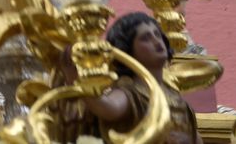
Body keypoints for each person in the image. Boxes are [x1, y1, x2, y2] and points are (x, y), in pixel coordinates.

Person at [79, 12, 200, 144]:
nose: (156, 41)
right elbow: (108, 108)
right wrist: (81, 80)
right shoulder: (131, 93)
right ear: (126, 49)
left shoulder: (178, 99)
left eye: (157, 34)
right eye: (145, 38)